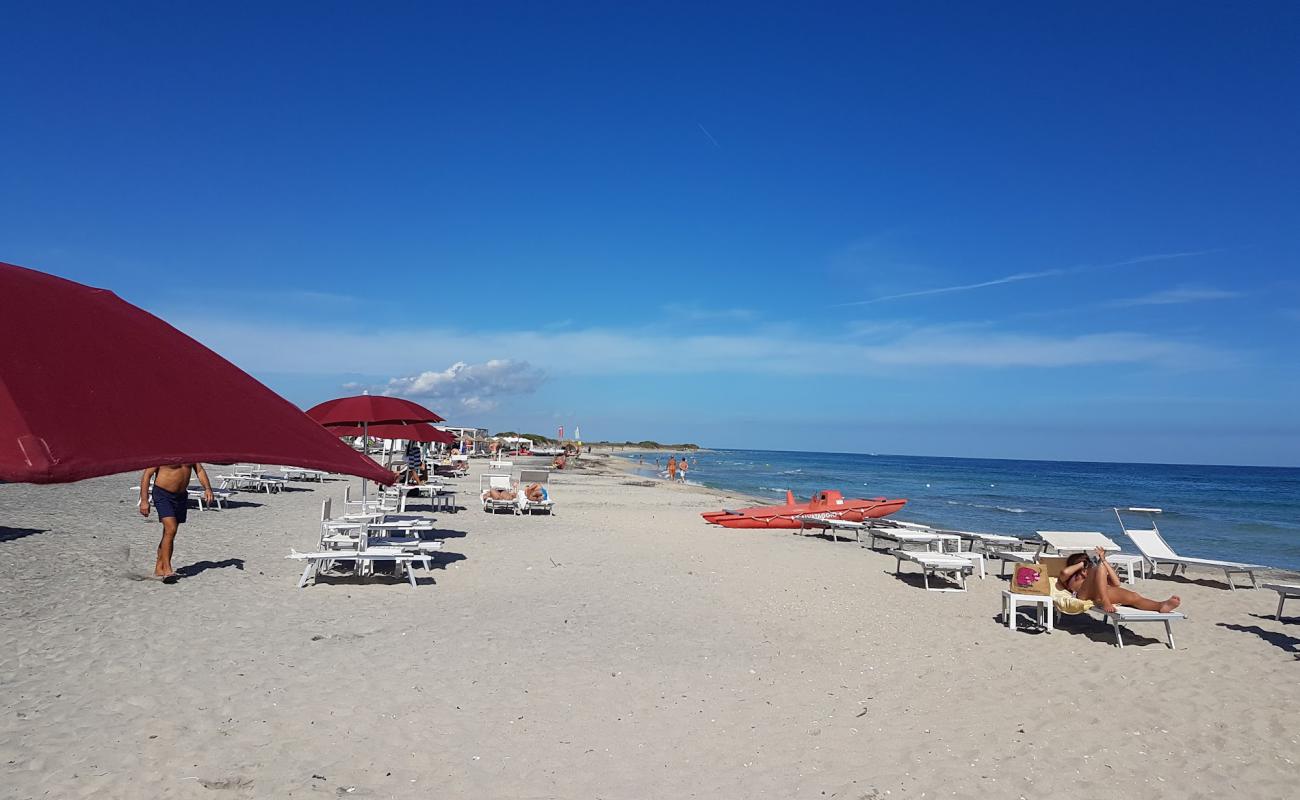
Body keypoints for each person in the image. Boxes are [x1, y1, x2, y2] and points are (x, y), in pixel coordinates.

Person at [138, 464, 213, 579]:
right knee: (171, 529)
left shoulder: (191, 453)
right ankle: (167, 570)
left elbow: (200, 470)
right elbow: (147, 475)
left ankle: (159, 568)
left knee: (169, 533)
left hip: (181, 496)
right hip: (162, 494)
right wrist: (144, 500)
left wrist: (207, 488)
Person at [1058, 548, 1181, 613]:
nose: (1087, 567)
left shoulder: (1095, 574)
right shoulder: (1071, 578)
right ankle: (1105, 601)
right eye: (1085, 565)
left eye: (1087, 565)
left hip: (1102, 593)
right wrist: (1081, 565)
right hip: (1083, 595)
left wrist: (1104, 560)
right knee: (1099, 567)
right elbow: (1064, 572)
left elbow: (1116, 583)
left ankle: (1161, 606)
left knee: (1134, 596)